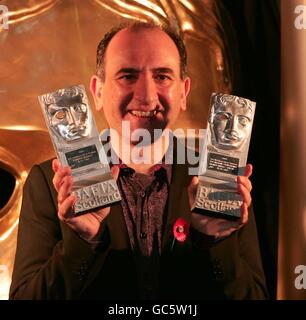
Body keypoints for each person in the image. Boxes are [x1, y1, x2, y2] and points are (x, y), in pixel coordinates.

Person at [10, 22, 267, 299]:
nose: (145, 95)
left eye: (163, 76)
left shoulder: (221, 181)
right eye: (127, 76)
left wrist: (216, 242)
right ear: (97, 91)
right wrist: (82, 243)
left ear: (183, 92)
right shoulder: (49, 184)